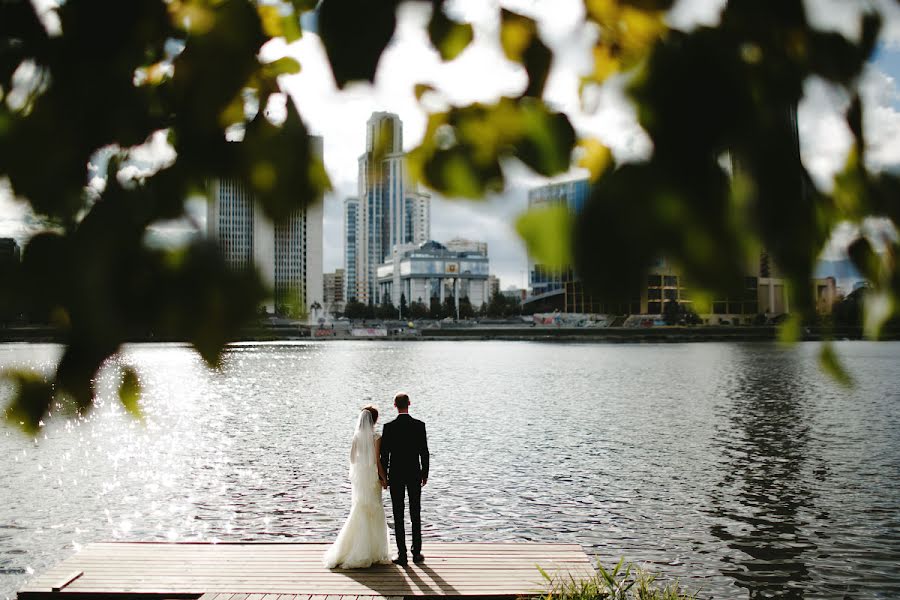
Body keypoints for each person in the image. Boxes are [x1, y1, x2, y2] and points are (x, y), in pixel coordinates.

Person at [322, 405, 391, 569]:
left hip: (361, 481)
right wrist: (384, 478)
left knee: (360, 510)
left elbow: (352, 459)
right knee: (374, 511)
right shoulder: (376, 437)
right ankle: (374, 552)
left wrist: (361, 470)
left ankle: (353, 549)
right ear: (375, 420)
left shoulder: (356, 438)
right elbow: (376, 461)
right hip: (372, 479)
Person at [380, 392, 429, 566]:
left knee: (398, 514)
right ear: (409, 403)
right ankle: (416, 553)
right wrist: (425, 473)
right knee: (415, 513)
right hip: (414, 473)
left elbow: (384, 455)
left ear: (395, 405)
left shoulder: (389, 427)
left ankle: (402, 554)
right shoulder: (419, 426)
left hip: (396, 475)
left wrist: (384, 477)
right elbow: (424, 451)